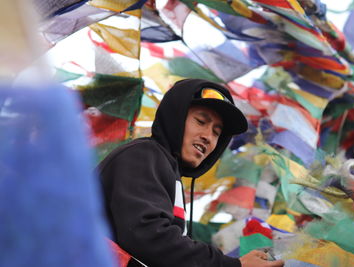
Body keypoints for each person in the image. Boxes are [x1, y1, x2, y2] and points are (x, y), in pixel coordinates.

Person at [98, 78, 284, 267]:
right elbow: (149, 235)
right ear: (175, 117)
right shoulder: (143, 155)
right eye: (201, 121)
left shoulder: (166, 170)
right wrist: (234, 265)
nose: (208, 137)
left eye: (216, 133)